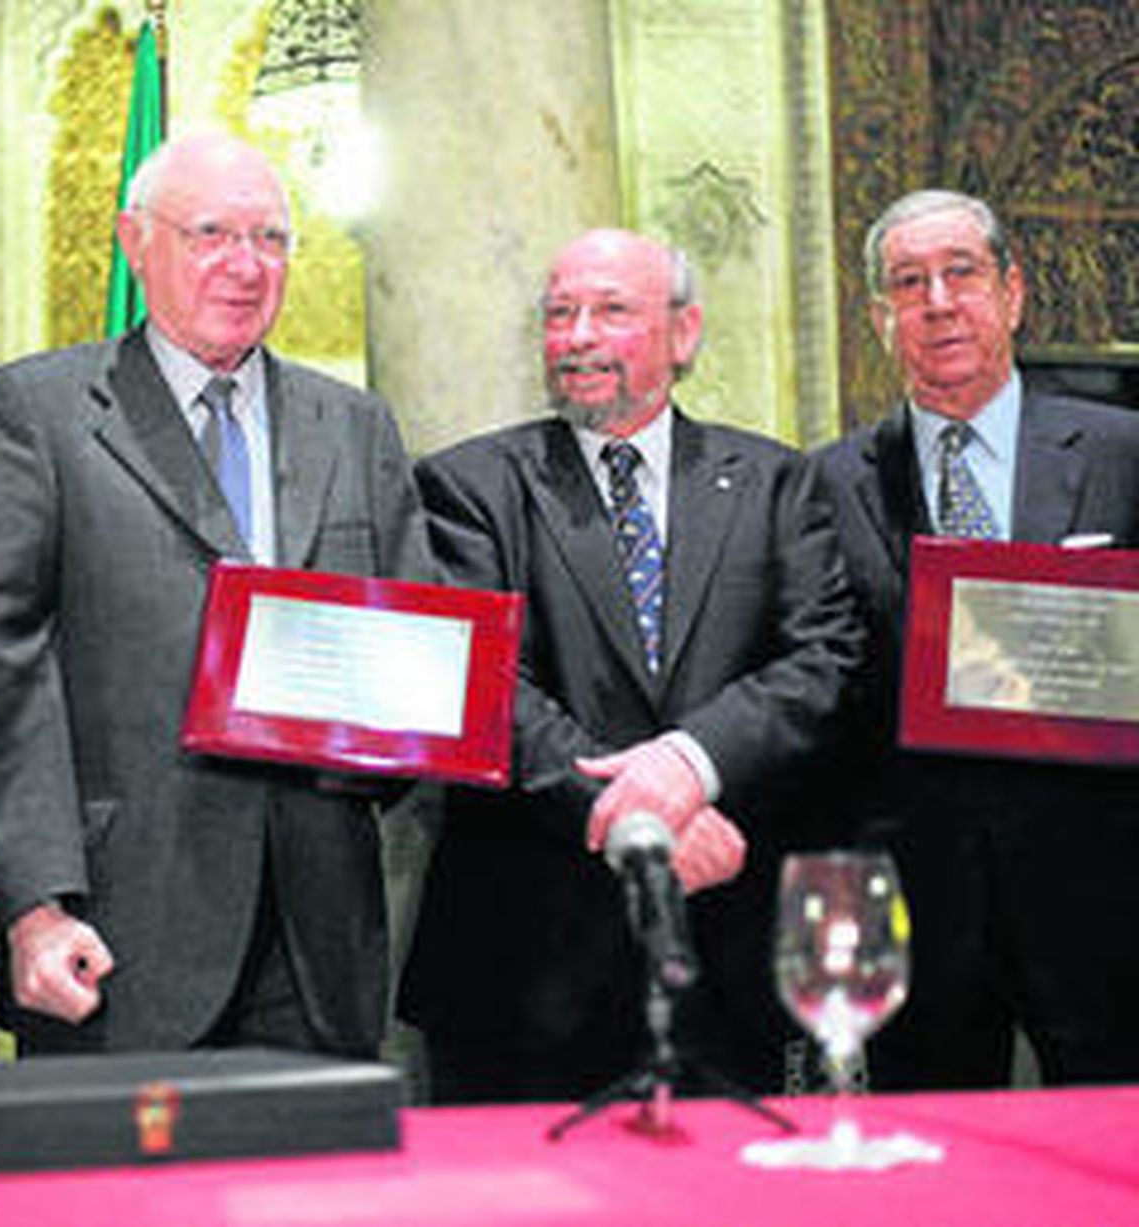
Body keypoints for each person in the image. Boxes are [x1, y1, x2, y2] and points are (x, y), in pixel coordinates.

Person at [0, 132, 436, 1060]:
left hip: (319, 937)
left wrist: (403, 729)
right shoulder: (38, 413)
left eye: (270, 239)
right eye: (211, 233)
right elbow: (8, 673)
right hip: (115, 930)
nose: (245, 265)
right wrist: (35, 903)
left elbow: (411, 654)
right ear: (135, 243)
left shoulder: (355, 425)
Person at [396, 229, 864, 1103]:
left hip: (734, 962)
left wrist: (692, 762)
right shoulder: (467, 486)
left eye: (610, 311)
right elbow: (478, 682)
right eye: (560, 313)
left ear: (683, 333)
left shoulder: (775, 482)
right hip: (527, 969)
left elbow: (824, 659)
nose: (577, 336)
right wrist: (643, 819)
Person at [813, 189, 1139, 1090]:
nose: (938, 302)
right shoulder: (825, 484)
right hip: (916, 893)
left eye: (961, 273)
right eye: (907, 283)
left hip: (1102, 883)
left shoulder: (1124, 453)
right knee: (936, 1143)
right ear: (880, 318)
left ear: (1012, 292)